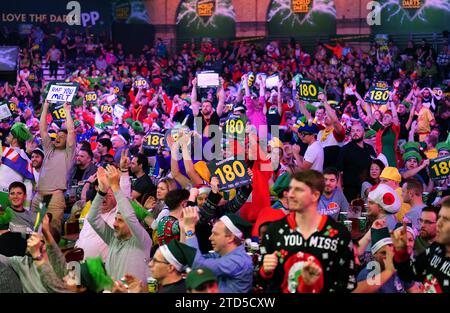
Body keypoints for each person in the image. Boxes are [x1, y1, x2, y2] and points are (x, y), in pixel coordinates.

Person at [259, 170, 356, 293]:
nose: (290, 195)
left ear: (315, 195)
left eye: (298, 190)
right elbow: (259, 279)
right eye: (290, 189)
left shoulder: (339, 234)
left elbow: (349, 282)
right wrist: (265, 271)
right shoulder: (274, 231)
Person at [87, 166, 152, 284]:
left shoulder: (142, 240)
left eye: (120, 220)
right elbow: (92, 218)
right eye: (116, 219)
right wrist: (101, 192)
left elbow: (129, 216)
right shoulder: (113, 238)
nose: (115, 224)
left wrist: (115, 186)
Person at [182, 209, 254, 293]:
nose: (210, 238)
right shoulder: (222, 254)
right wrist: (183, 228)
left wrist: (189, 229)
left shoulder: (238, 261)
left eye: (215, 234)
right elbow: (189, 260)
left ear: (230, 237)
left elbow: (197, 265)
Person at [33, 100, 76, 232]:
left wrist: (67, 111)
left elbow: (71, 131)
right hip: (39, 197)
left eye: (62, 137)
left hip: (55, 198)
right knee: (35, 232)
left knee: (52, 234)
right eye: (57, 135)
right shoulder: (49, 150)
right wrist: (45, 106)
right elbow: (43, 129)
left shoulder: (69, 154)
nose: (58, 138)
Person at [392, 198, 450, 293]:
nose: (439, 223)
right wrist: (401, 253)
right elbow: (409, 275)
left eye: (446, 219)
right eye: (440, 217)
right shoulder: (436, 248)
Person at [355, 226, 419, 293]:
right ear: (374, 255)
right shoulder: (367, 276)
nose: (389, 257)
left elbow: (414, 289)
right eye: (383, 253)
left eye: (392, 252)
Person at [337, 122, 376, 202]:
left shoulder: (370, 148)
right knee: (353, 213)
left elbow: (375, 166)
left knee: (368, 213)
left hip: (368, 188)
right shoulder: (345, 149)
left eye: (358, 130)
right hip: (351, 190)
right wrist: (339, 189)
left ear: (363, 133)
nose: (355, 133)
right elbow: (339, 171)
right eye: (353, 131)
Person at [0, 123, 34, 209]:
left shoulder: (3, 151)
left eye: (9, 135)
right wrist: (26, 209)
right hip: (15, 200)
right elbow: (28, 187)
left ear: (14, 140)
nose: (7, 137)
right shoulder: (27, 161)